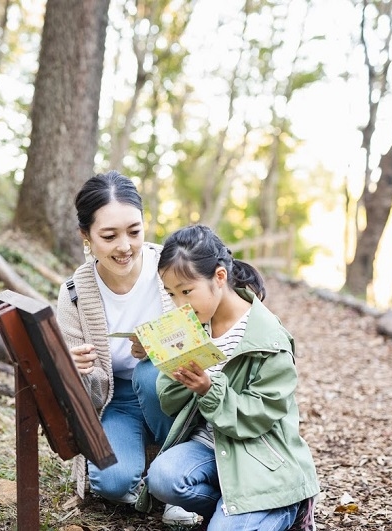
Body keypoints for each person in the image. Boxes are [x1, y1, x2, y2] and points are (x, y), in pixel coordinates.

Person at [143, 224, 320, 530]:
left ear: (219, 277)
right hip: (211, 446)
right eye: (172, 294)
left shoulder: (269, 339)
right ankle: (235, 508)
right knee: (162, 479)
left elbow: (259, 416)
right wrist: (175, 372)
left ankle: (288, 506)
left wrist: (210, 389)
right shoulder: (194, 323)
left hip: (260, 455)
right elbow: (170, 404)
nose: (179, 303)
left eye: (187, 291)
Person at [55, 170, 199, 526]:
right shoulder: (74, 293)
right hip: (115, 399)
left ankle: (177, 484)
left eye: (134, 232)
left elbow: (210, 334)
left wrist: (161, 347)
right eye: (109, 235)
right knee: (111, 481)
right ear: (85, 237)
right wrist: (72, 369)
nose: (125, 246)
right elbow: (82, 400)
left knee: (151, 374)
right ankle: (145, 485)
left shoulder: (171, 267)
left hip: (172, 387)